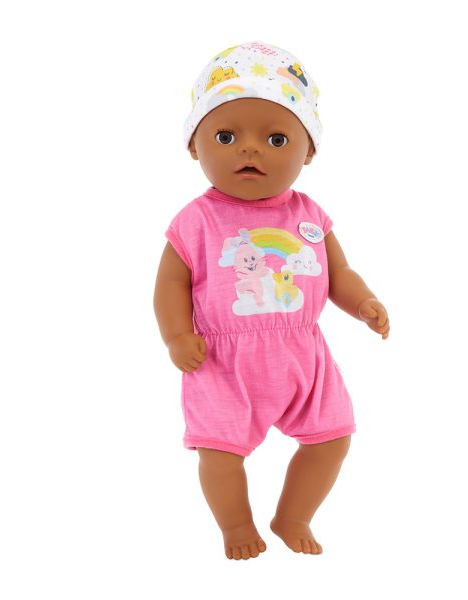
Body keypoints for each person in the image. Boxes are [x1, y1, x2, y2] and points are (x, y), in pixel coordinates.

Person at [153, 41, 390, 560]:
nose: (250, 149)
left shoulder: (309, 216)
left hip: (304, 357)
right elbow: (170, 285)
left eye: (276, 138)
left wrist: (363, 302)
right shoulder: (196, 221)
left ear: (308, 152)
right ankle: (237, 525)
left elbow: (337, 273)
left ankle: (293, 516)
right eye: (226, 136)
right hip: (222, 362)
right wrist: (176, 336)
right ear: (194, 146)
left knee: (333, 438)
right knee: (219, 452)